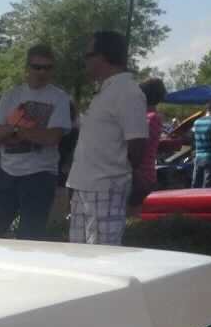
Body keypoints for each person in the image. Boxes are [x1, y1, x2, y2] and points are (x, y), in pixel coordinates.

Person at [0, 44, 75, 239]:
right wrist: (18, 130)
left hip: (40, 176)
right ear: (27, 68)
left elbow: (52, 137)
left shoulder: (59, 98)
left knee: (30, 238)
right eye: (37, 67)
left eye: (48, 68)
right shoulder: (12, 95)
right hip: (7, 173)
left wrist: (16, 130)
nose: (42, 72)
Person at [66, 30, 151, 245]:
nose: (85, 61)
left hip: (106, 187)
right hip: (84, 186)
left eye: (88, 55)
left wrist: (118, 174)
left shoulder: (128, 92)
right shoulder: (105, 91)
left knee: (103, 258)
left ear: (103, 57)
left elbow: (138, 146)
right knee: (79, 257)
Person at [134, 78, 166, 209]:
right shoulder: (152, 117)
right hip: (142, 176)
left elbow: (138, 147)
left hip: (139, 177)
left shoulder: (145, 117)